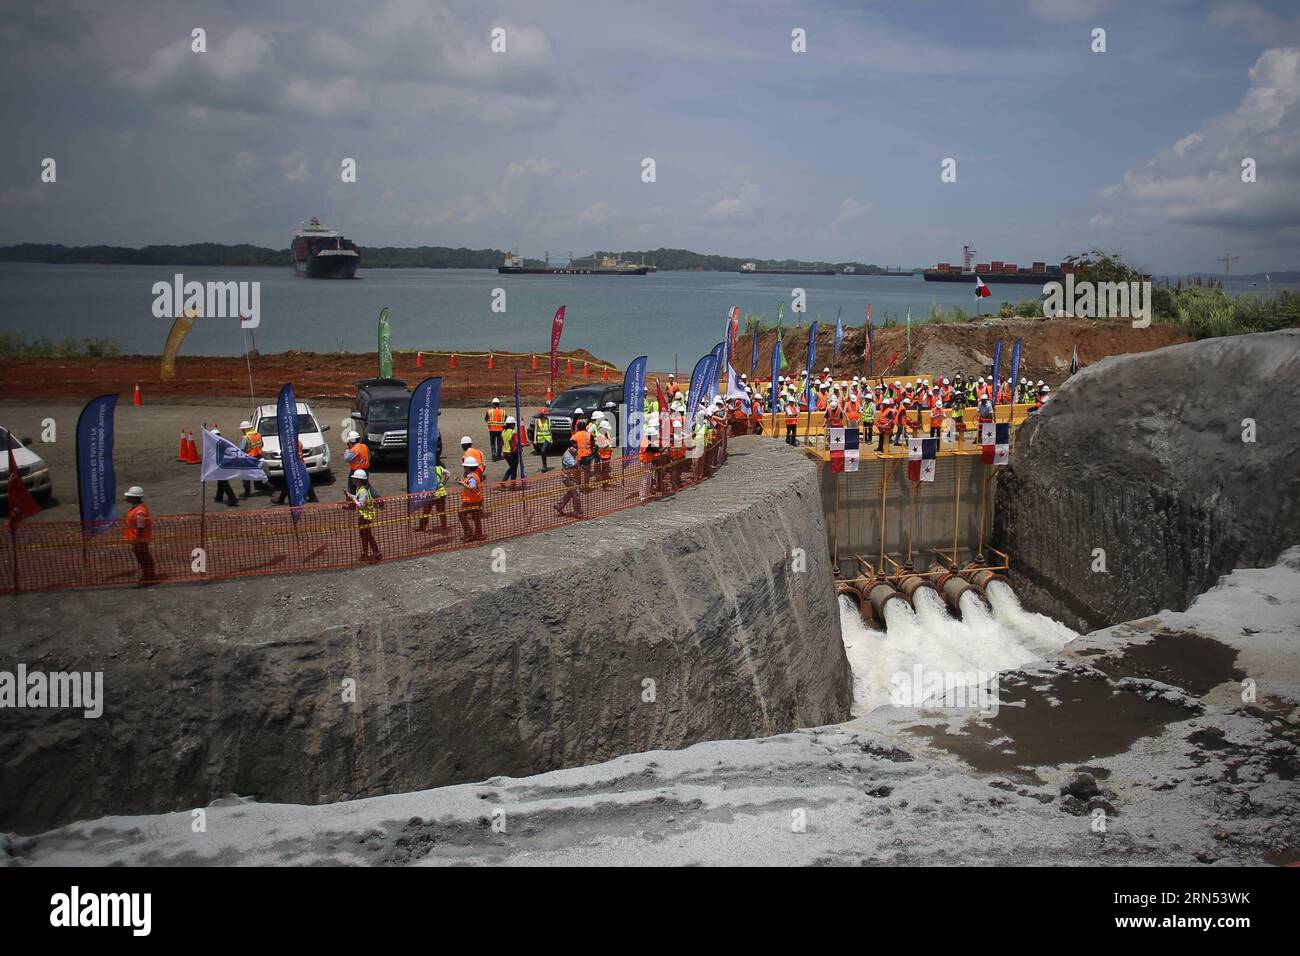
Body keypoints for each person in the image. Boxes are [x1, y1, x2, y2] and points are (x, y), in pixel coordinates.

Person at [122, 485, 156, 585]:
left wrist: (137, 540)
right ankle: (147, 576)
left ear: (135, 497)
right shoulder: (137, 508)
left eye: (129, 496)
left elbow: (140, 526)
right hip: (137, 539)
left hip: (140, 539)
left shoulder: (139, 511)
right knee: (142, 558)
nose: (127, 498)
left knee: (144, 558)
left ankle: (148, 577)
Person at [346, 469, 382, 561]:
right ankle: (366, 552)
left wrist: (353, 499)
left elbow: (361, 505)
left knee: (367, 535)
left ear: (358, 480)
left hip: (366, 516)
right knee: (364, 535)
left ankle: (375, 552)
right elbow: (358, 498)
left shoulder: (363, 491)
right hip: (364, 516)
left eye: (354, 478)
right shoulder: (360, 489)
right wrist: (351, 496)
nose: (353, 480)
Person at [272, 438, 319, 504]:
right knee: (304, 480)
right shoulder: (298, 442)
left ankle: (281, 499)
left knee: (288, 481)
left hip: (295, 466)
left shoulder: (290, 444)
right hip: (300, 464)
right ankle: (313, 497)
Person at [416, 458, 449, 533]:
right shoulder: (439, 468)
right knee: (441, 511)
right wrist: (443, 483)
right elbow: (448, 473)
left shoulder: (425, 471)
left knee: (426, 511)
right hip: (441, 493)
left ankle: (422, 527)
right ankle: (444, 526)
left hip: (431, 494)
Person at [457, 456, 485, 540]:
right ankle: (478, 534)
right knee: (476, 517)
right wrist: (463, 482)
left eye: (465, 467)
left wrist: (462, 484)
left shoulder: (472, 477)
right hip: (477, 499)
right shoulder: (474, 475)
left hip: (470, 501)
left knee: (461, 515)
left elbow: (472, 487)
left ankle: (469, 534)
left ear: (468, 468)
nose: (464, 468)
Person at [553, 441, 583, 518]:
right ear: (569, 448)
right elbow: (574, 465)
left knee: (570, 493)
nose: (576, 449)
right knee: (576, 494)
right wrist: (578, 456)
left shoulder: (573, 453)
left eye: (577, 447)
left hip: (572, 477)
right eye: (574, 448)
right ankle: (578, 512)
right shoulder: (567, 456)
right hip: (568, 479)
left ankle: (559, 505)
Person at [238, 420, 264, 497]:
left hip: (249, 457)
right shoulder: (258, 435)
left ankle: (247, 491)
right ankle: (260, 486)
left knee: (245, 475)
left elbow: (241, 449)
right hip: (258, 456)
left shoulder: (246, 438)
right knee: (257, 472)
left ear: (244, 429)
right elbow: (262, 444)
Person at [571, 407, 592, 489]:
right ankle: (585, 487)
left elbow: (572, 435)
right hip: (585, 452)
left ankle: (579, 487)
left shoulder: (572, 423)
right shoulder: (580, 423)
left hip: (576, 447)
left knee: (577, 471)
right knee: (586, 472)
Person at [595, 419, 614, 488]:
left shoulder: (605, 433)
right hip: (604, 455)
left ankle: (605, 482)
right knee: (605, 470)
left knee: (606, 469)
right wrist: (609, 443)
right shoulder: (599, 435)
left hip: (607, 454)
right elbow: (601, 445)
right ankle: (604, 484)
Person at [501, 415, 520, 485]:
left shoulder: (503, 432)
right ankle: (512, 484)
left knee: (511, 468)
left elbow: (502, 442)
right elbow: (516, 442)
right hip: (512, 453)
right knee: (514, 469)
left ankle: (503, 481)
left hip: (505, 453)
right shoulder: (512, 432)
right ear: (512, 425)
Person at [534, 407, 553, 471]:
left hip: (547, 438)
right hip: (540, 439)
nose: (546, 415)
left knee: (543, 451)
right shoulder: (537, 420)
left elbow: (550, 430)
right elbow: (536, 430)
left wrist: (551, 439)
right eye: (545, 414)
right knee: (542, 453)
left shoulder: (548, 420)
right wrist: (535, 439)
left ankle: (544, 466)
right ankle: (544, 465)